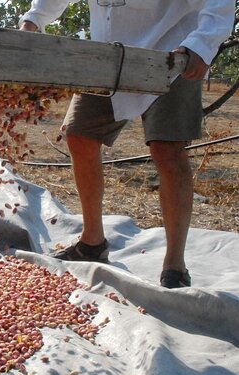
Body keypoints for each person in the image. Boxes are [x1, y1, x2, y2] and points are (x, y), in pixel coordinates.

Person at [18, 0, 235, 288]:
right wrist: (34, 19)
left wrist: (202, 43)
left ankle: (175, 265)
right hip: (108, 54)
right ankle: (92, 242)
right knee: (79, 134)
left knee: (167, 149)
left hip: (171, 51)